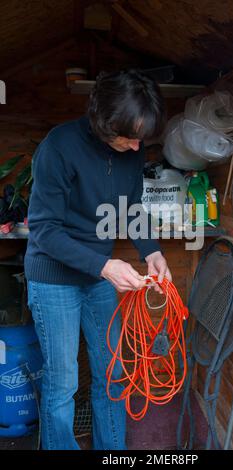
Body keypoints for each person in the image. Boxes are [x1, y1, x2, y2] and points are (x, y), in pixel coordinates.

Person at [24, 69, 172, 450]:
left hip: (97, 279)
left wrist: (151, 250)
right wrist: (105, 266)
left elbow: (131, 208)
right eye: (130, 137)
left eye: (142, 139)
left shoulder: (130, 153)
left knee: (113, 372)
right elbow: (44, 230)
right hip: (54, 276)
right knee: (63, 382)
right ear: (104, 124)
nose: (138, 148)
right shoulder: (59, 147)